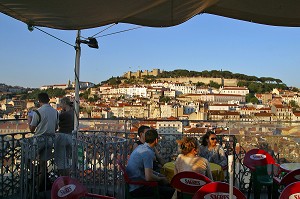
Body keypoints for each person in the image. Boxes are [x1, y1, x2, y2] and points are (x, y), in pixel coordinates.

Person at [126, 129, 174, 199]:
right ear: (156, 140)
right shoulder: (147, 153)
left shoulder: (140, 147)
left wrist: (160, 176)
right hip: (138, 188)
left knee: (166, 185)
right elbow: (149, 177)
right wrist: (161, 179)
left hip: (133, 184)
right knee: (171, 191)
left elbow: (148, 172)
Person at [27, 92, 59, 191]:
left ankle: (35, 176)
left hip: (39, 140)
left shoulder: (37, 112)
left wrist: (29, 119)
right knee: (43, 163)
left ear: (39, 101)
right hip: (50, 140)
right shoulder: (55, 112)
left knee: (26, 158)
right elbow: (56, 127)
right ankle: (40, 186)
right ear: (49, 100)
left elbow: (31, 129)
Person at [55, 97, 74, 176]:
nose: (60, 105)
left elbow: (56, 124)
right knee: (69, 158)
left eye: (61, 104)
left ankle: (63, 179)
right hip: (72, 136)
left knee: (61, 161)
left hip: (63, 136)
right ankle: (70, 177)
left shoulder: (63, 115)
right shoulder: (74, 112)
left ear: (64, 104)